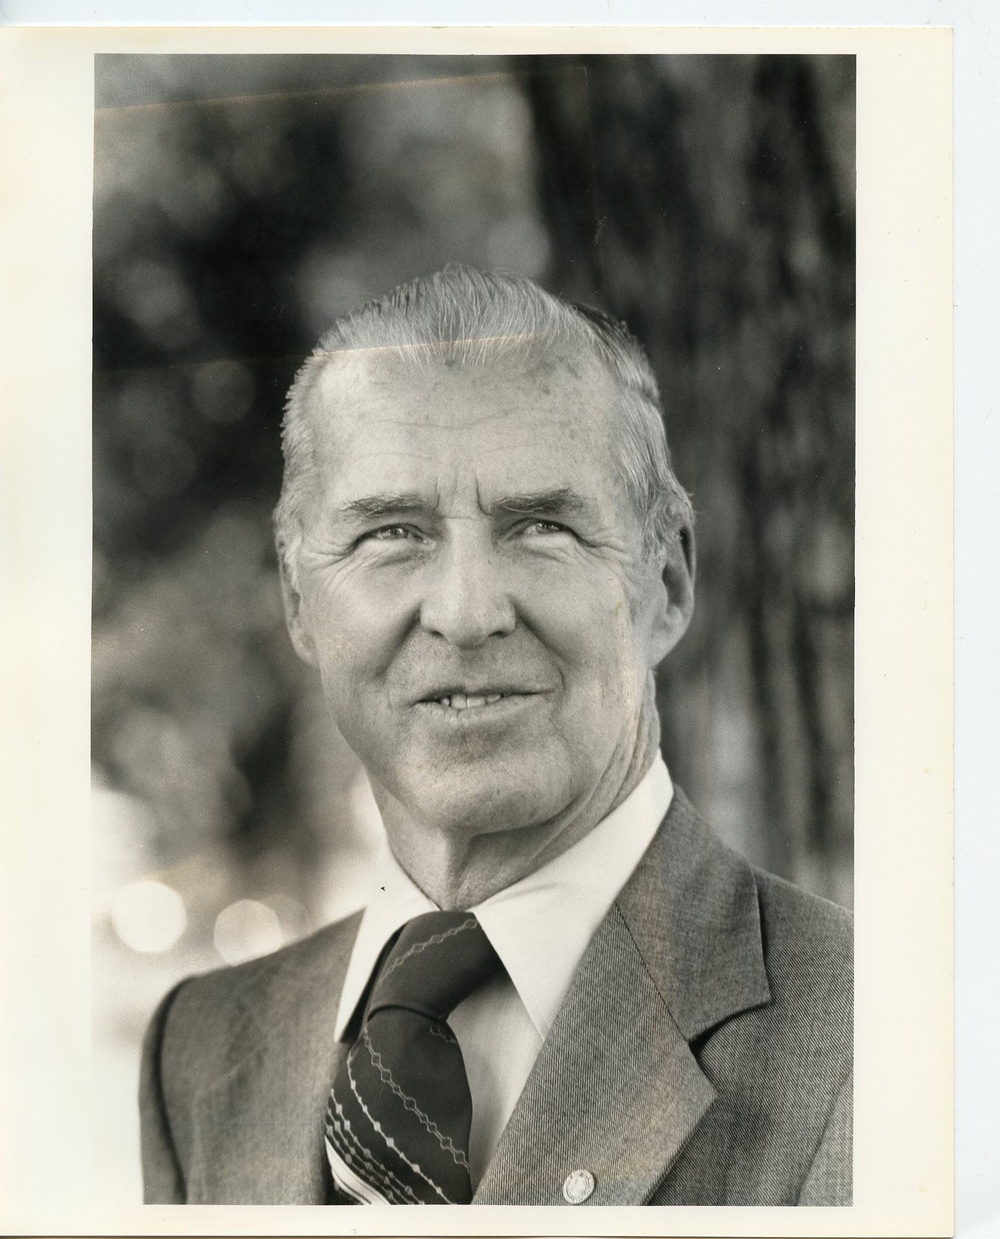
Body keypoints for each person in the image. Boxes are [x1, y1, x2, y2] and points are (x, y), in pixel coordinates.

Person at [139, 266, 852, 1207]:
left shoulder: (881, 1041)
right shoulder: (197, 1052)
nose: (468, 612)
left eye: (542, 526)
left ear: (667, 585)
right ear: (297, 598)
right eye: (392, 532)